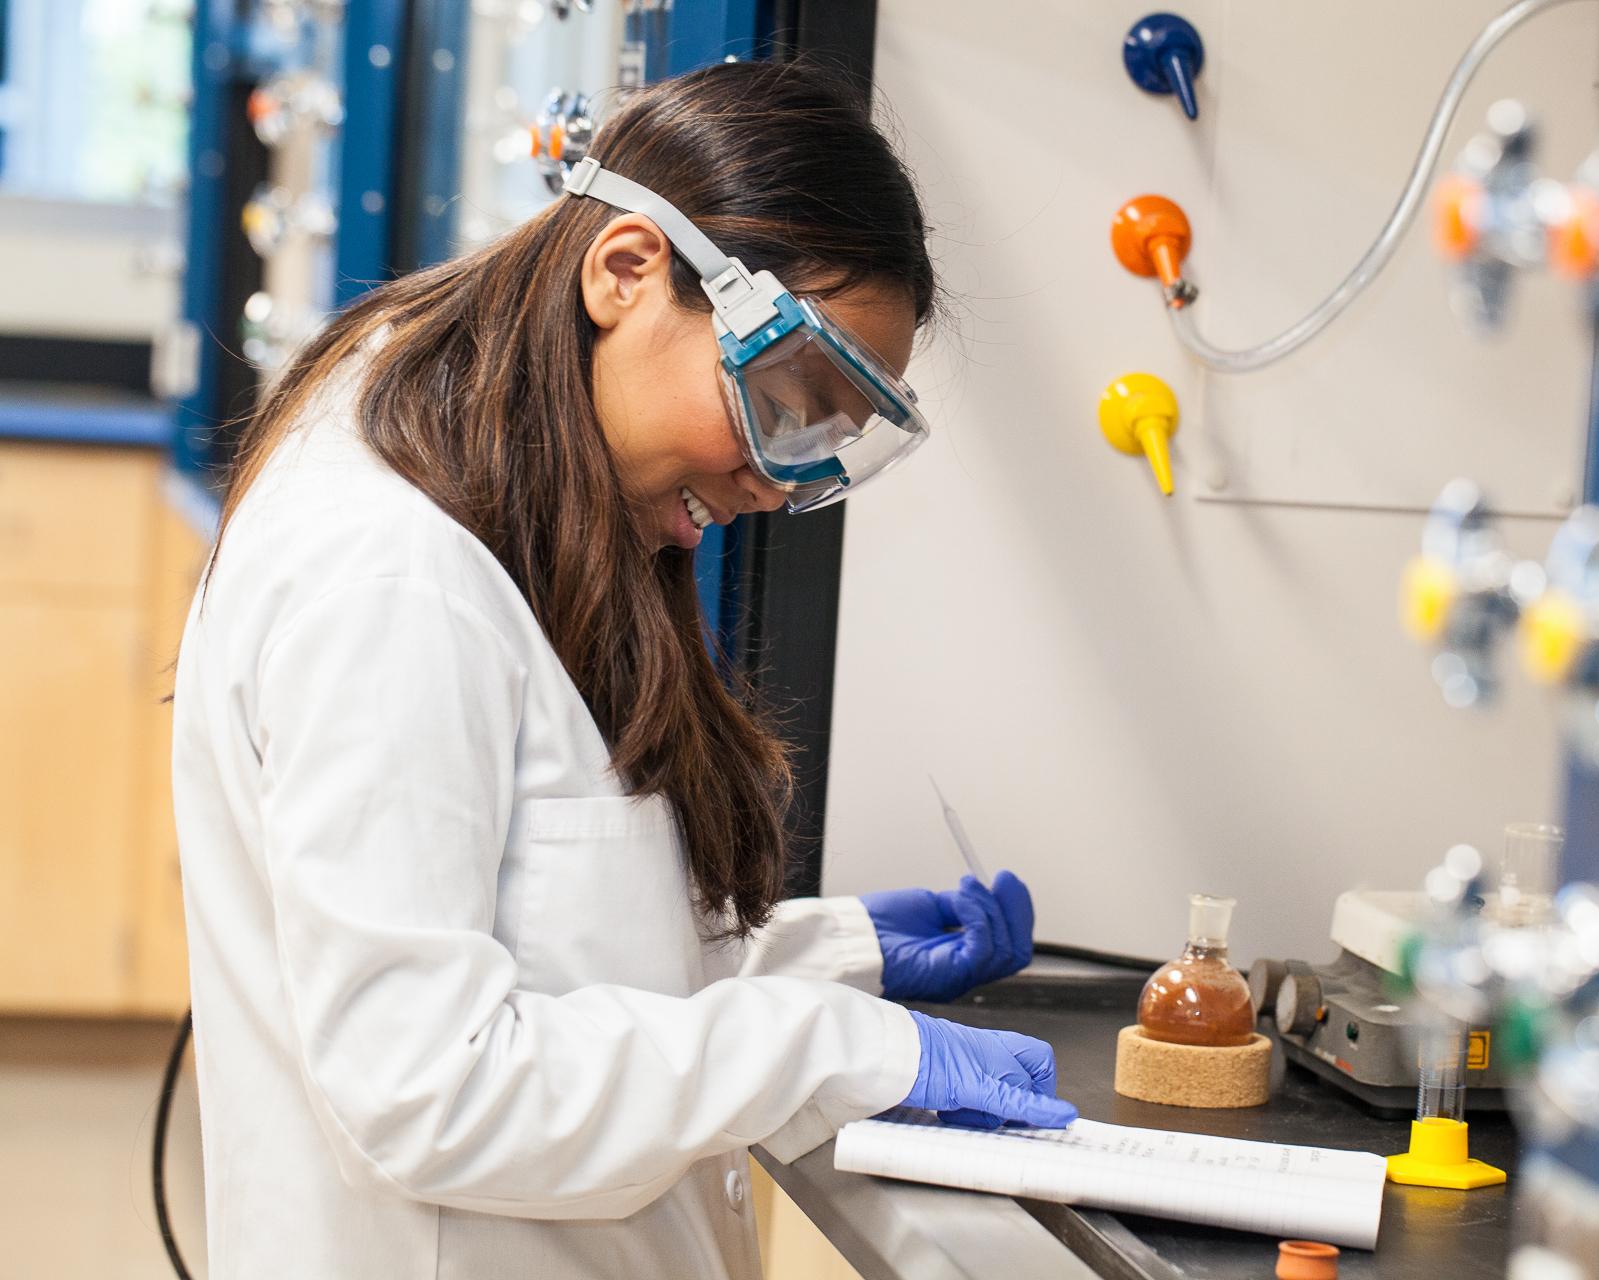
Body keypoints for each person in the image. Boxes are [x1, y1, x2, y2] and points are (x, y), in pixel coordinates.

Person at [170, 60, 1074, 1280]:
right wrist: (824, 1045)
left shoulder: (519, 507)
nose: (778, 477)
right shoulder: (391, 578)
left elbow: (550, 945)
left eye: (827, 441)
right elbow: (430, 1088)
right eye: (780, 401)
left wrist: (829, 955)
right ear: (628, 273)